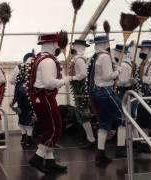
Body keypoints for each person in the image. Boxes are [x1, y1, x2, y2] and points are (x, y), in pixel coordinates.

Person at [27, 33, 70, 174]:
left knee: (48, 129)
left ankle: (50, 161)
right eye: (57, 43)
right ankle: (38, 157)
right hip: (45, 97)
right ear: (53, 44)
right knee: (55, 129)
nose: (58, 46)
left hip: (40, 98)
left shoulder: (40, 58)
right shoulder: (48, 61)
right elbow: (49, 83)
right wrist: (65, 80)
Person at [87, 35, 126, 166]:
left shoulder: (94, 56)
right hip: (105, 92)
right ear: (105, 43)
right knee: (124, 117)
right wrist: (118, 70)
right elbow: (108, 76)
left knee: (105, 121)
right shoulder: (104, 56)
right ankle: (120, 148)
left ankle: (100, 153)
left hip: (96, 94)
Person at [69, 39, 96, 148]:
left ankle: (91, 139)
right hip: (79, 90)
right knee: (82, 114)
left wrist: (72, 77)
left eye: (74, 45)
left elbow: (83, 74)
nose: (73, 47)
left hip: (81, 91)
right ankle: (90, 138)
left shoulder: (79, 60)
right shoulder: (77, 59)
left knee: (84, 114)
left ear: (78, 46)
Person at [10, 52, 35, 148]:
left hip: (19, 95)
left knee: (21, 114)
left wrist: (19, 83)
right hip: (31, 94)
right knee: (30, 115)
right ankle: (28, 138)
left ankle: (23, 136)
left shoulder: (18, 67)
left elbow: (11, 80)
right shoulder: (35, 66)